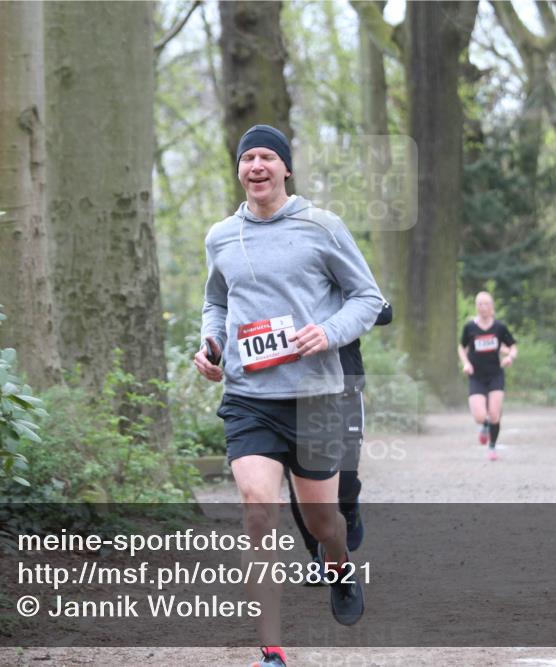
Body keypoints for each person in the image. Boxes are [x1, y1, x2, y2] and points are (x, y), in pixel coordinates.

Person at [194, 124, 383, 667]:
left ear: (286, 168)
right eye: (247, 157)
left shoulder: (322, 226)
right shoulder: (221, 236)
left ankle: (339, 564)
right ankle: (272, 649)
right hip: (249, 396)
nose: (256, 166)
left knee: (323, 522)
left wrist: (329, 332)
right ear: (239, 169)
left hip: (314, 395)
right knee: (258, 508)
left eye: (267, 157)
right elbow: (216, 302)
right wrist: (210, 343)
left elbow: (367, 297)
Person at [286, 299, 393, 574]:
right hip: (297, 390)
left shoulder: (344, 277)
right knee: (301, 480)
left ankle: (349, 503)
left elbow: (384, 311)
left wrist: (340, 308)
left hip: (345, 386)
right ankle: (317, 556)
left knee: (344, 474)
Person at [458, 291, 517, 460]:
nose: (483, 307)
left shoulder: (500, 327)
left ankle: (492, 447)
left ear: (492, 306)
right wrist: (466, 363)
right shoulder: (470, 327)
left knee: (495, 414)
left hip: (495, 375)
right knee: (479, 416)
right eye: (480, 304)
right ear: (476, 307)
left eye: (486, 304)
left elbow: (512, 346)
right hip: (476, 375)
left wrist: (510, 357)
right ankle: (484, 425)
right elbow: (461, 347)